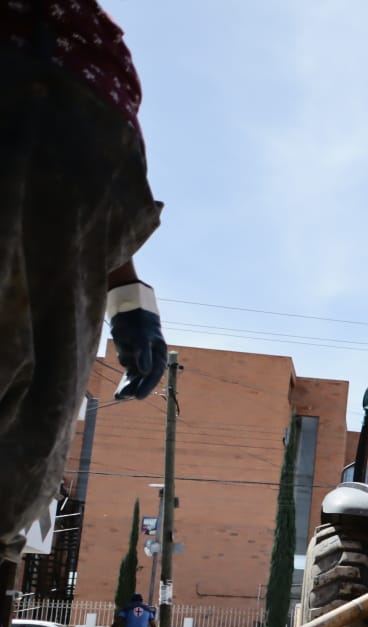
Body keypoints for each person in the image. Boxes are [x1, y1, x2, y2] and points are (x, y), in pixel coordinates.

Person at [0, 1, 166, 561]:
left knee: (32, 424)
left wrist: (126, 295)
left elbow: (89, 232)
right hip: (46, 101)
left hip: (88, 126)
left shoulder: (87, 48)